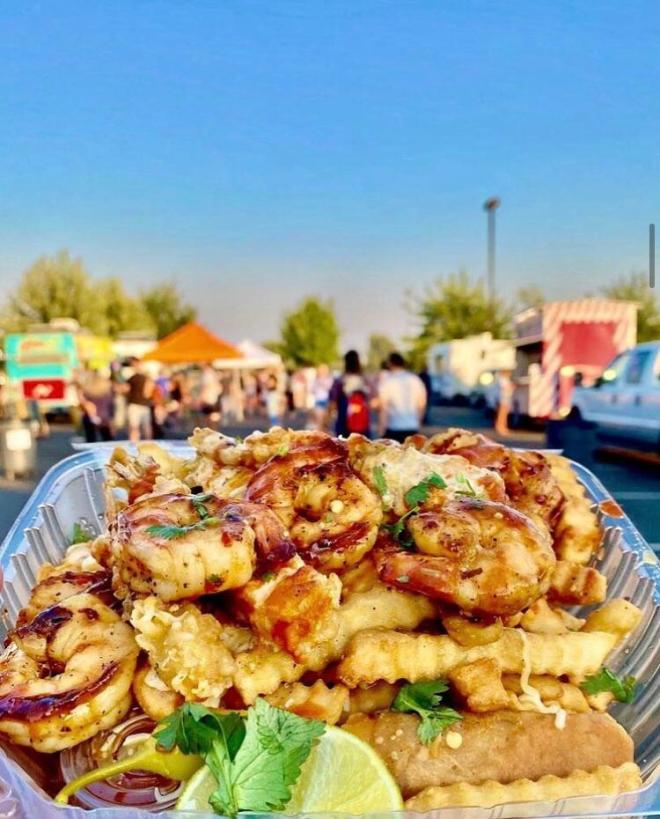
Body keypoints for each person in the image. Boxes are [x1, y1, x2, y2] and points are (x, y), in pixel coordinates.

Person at [377, 352, 427, 443]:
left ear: (390, 364)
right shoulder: (415, 379)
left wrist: (381, 430)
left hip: (393, 428)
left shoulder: (387, 382)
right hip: (412, 427)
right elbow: (421, 403)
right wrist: (418, 422)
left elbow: (383, 407)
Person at [329, 350, 371, 438]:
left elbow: (333, 401)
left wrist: (326, 420)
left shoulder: (340, 380)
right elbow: (371, 400)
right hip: (361, 421)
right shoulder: (364, 379)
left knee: (343, 447)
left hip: (343, 421)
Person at [78, 370, 114, 443]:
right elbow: (110, 405)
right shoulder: (107, 390)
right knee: (107, 440)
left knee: (91, 439)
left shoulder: (88, 389)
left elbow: (84, 402)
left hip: (90, 416)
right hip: (104, 417)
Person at [125, 359, 154, 442]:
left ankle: (133, 445)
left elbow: (126, 389)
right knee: (146, 427)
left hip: (134, 404)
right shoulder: (147, 378)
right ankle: (149, 444)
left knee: (134, 427)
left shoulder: (133, 378)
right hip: (145, 404)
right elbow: (147, 393)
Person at [311, 363, 334, 430]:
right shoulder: (316, 379)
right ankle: (319, 436)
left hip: (328, 401)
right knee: (319, 422)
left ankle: (324, 436)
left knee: (326, 423)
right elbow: (312, 390)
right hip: (319, 401)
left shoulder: (329, 379)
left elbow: (331, 389)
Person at [494, 369, 515, 437]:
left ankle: (503, 427)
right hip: (503, 398)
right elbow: (505, 388)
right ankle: (500, 428)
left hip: (506, 398)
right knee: (502, 415)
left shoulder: (504, 379)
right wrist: (512, 387)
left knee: (504, 415)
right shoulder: (502, 379)